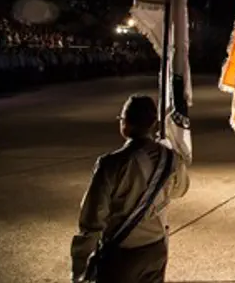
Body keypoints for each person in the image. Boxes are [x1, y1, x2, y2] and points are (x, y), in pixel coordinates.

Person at [70, 94, 190, 283]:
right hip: (156, 248)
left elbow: (93, 217)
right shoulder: (170, 158)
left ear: (125, 123)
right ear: (153, 123)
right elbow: (180, 190)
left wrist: (81, 264)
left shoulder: (110, 164)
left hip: (122, 253)